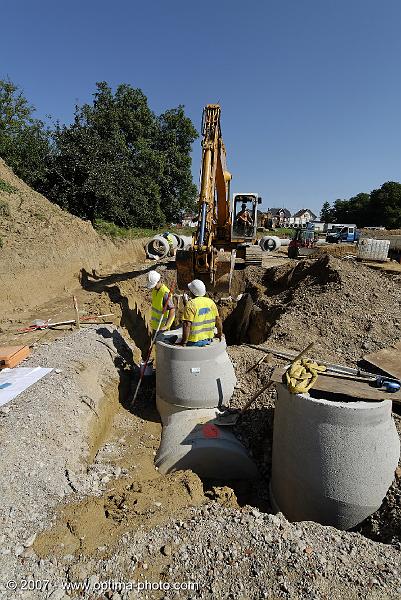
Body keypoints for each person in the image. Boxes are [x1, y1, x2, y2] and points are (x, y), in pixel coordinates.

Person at [179, 279, 223, 347]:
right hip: (208, 340)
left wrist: (184, 342)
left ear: (192, 292)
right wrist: (219, 334)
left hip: (193, 342)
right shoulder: (211, 302)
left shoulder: (191, 304)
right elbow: (218, 320)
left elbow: (187, 324)